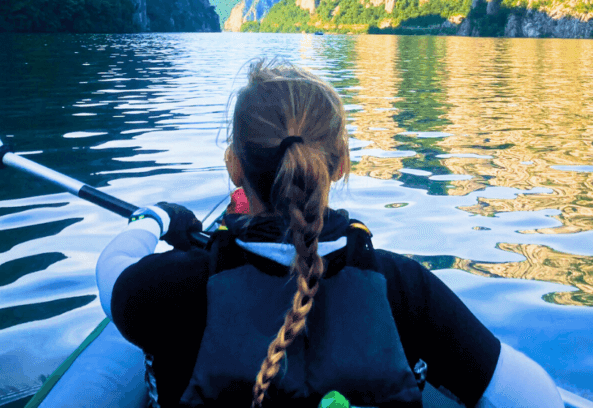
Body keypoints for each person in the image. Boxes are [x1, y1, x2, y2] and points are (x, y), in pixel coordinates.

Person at [97, 60, 564, 408]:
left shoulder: (166, 289)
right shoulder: (404, 288)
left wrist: (156, 219)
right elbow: (536, 396)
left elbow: (111, 269)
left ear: (235, 167)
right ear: (340, 164)